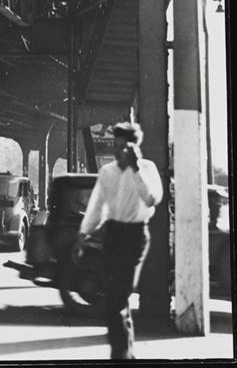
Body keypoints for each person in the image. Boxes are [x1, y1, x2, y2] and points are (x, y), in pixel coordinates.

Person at [73, 122, 163, 359]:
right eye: (115, 145)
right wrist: (82, 235)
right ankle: (124, 355)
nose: (117, 151)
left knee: (119, 296)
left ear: (134, 147)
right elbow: (97, 207)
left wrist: (135, 169)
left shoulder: (148, 169)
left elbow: (152, 199)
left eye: (123, 146)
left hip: (136, 236)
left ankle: (120, 355)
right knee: (115, 297)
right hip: (112, 235)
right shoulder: (107, 172)